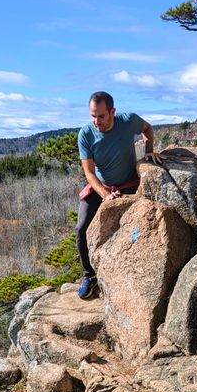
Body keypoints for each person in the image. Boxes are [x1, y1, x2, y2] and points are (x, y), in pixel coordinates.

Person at [76, 91, 160, 299]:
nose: (96, 121)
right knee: (81, 228)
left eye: (101, 116)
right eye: (93, 116)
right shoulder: (86, 134)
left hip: (129, 183)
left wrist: (149, 150)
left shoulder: (128, 121)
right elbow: (88, 172)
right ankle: (89, 275)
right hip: (102, 186)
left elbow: (148, 128)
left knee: (138, 227)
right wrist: (105, 194)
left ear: (112, 111)